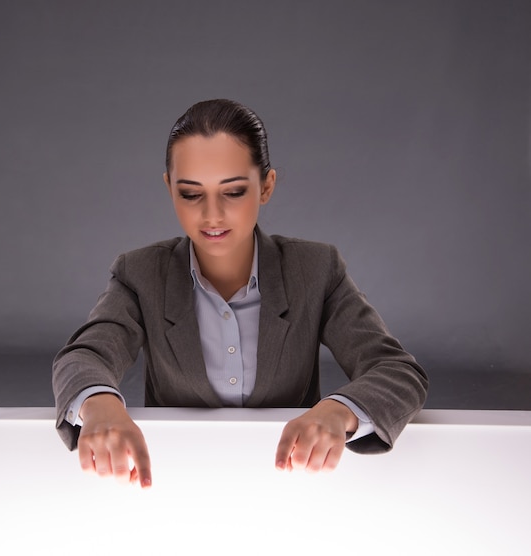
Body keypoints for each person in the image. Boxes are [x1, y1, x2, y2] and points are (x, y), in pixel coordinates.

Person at [52, 99, 428, 489]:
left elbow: (397, 371)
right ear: (169, 188)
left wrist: (336, 411)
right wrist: (101, 408)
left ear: (266, 186)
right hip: (176, 482)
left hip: (294, 486)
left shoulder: (316, 270)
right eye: (191, 194)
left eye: (232, 192)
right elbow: (85, 355)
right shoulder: (141, 274)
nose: (212, 215)